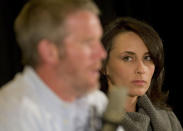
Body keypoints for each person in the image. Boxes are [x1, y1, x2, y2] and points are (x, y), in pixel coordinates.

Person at [0, 0, 108, 130]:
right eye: (88, 43)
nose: (102, 54)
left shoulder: (96, 101)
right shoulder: (14, 112)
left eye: (98, 41)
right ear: (50, 52)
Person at [100, 17, 183, 131]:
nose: (141, 69)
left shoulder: (168, 120)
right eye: (128, 58)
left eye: (148, 58)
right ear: (103, 66)